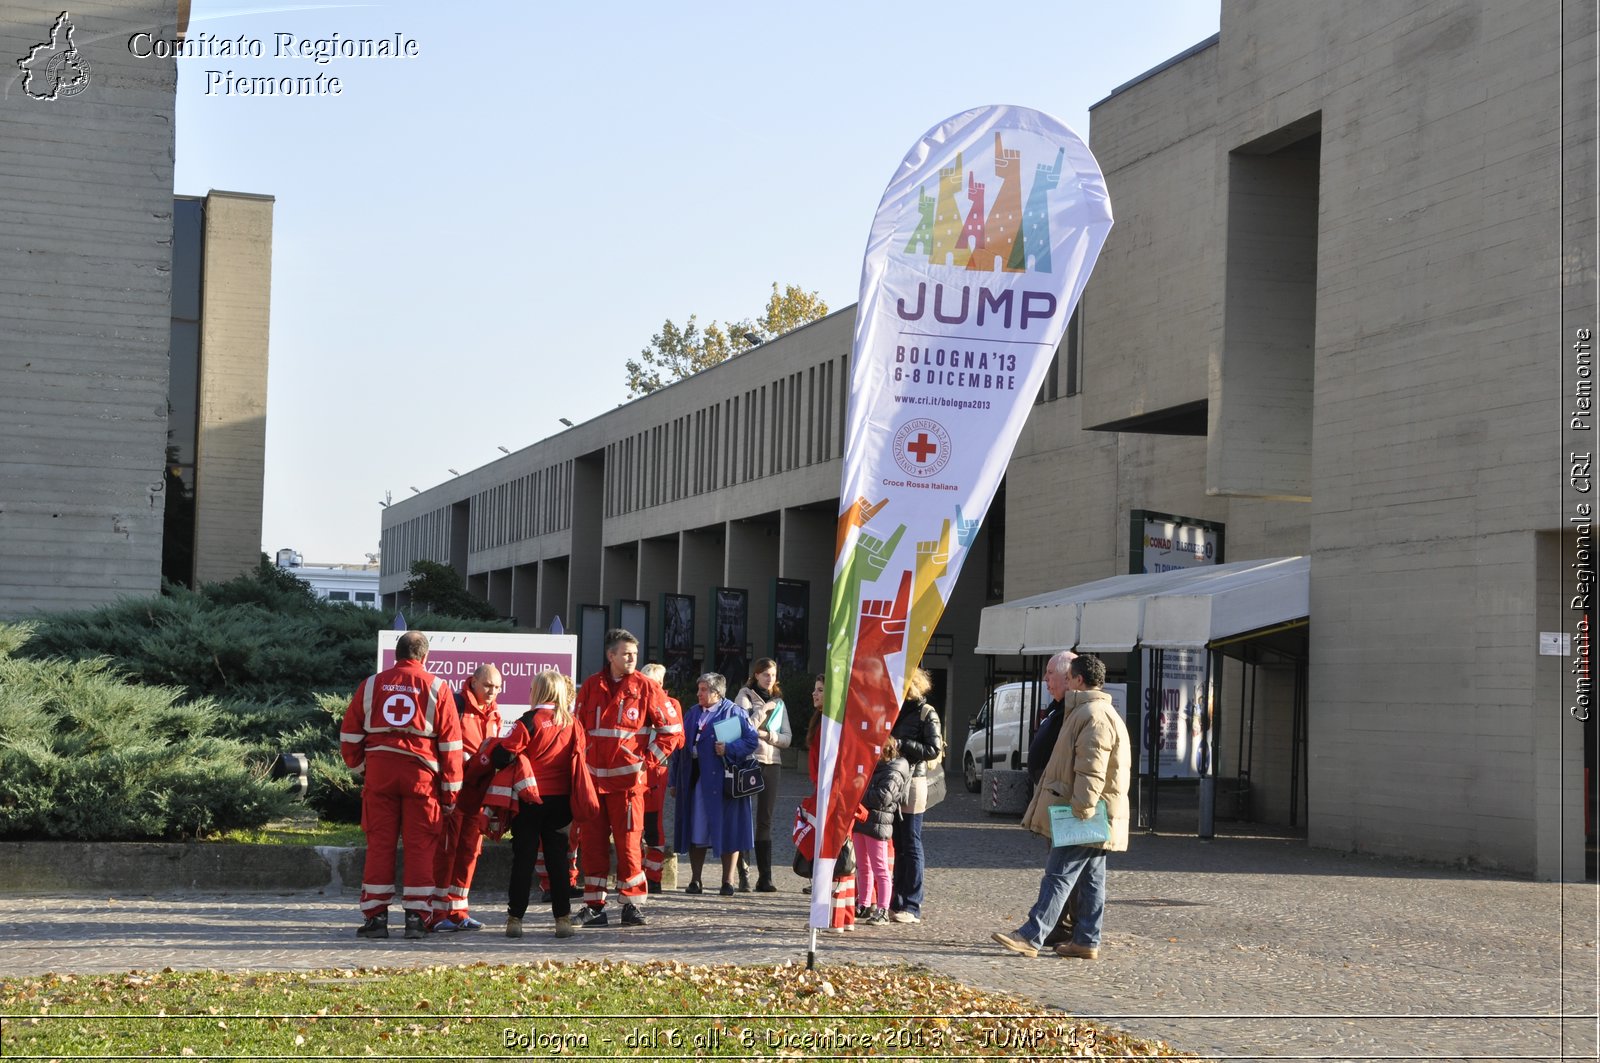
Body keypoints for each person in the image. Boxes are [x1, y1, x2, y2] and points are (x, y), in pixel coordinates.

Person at [992, 653, 1131, 961]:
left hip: (1086, 812)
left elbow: (1091, 769)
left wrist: (1080, 812)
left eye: (1070, 678)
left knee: (1059, 874)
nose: (1065, 683)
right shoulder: (1093, 711)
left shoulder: (1093, 714)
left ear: (1079, 680)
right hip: (1096, 812)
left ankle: (1031, 935)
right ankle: (1086, 940)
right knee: (1092, 879)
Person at [340, 630, 463, 940]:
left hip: (380, 775)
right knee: (421, 846)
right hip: (421, 779)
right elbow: (451, 747)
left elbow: (350, 734)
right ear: (424, 657)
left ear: (397, 654)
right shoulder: (438, 687)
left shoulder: (370, 685)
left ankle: (376, 919)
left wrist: (359, 766)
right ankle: (416, 920)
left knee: (379, 845)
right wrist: (450, 794)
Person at [571, 628, 682, 927]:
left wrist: (646, 763)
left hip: (629, 786)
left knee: (630, 845)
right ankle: (595, 906)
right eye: (626, 653)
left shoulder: (646, 687)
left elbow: (673, 732)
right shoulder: (591, 686)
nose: (632, 658)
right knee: (592, 846)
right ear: (611, 655)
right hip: (594, 784)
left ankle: (632, 906)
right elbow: (578, 731)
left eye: (634, 653)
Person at [495, 669, 583, 939]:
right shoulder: (572, 723)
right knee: (559, 862)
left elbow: (504, 755)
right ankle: (563, 920)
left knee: (524, 859)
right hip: (561, 803)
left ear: (540, 691)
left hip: (530, 799)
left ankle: (515, 920)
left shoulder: (529, 720)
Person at [671, 672, 759, 895]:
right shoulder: (692, 713)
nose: (698, 694)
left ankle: (727, 881)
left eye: (703, 690)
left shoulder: (734, 712)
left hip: (725, 784)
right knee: (696, 829)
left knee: (729, 830)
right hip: (696, 781)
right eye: (699, 689)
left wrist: (729, 749)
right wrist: (674, 781)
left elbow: (751, 740)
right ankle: (695, 879)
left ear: (716, 693)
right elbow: (677, 749)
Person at [431, 664, 502, 931]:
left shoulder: (495, 713)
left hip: (478, 796)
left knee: (470, 853)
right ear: (473, 682)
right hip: (454, 793)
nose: (492, 691)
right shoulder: (456, 705)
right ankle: (438, 913)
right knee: (446, 851)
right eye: (487, 685)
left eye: (497, 687)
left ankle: (459, 911)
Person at [888, 666, 943, 924]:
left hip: (914, 780)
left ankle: (912, 904)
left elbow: (933, 749)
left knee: (910, 841)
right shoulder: (895, 710)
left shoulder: (926, 713)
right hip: (893, 778)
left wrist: (902, 744)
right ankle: (896, 900)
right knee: (897, 841)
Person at [734, 657, 792, 892]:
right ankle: (743, 875)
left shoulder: (779, 703)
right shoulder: (744, 696)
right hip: (750, 761)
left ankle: (765, 877)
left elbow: (787, 738)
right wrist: (762, 711)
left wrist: (769, 736)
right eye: (766, 674)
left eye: (774, 675)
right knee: (744, 818)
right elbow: (742, 727)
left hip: (772, 762)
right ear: (756, 675)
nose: (771, 679)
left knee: (765, 820)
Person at [804, 675, 857, 931]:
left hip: (832, 796)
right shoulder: (823, 721)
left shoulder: (831, 724)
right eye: (814, 690)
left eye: (820, 690)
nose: (814, 694)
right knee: (840, 852)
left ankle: (834, 918)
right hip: (827, 793)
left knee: (833, 853)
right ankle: (844, 917)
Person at [853, 735, 909, 926]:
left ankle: (883, 908)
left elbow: (883, 797)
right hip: (863, 819)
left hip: (878, 823)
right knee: (862, 866)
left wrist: (858, 795)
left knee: (880, 868)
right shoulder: (874, 768)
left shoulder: (894, 770)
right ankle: (864, 903)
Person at [638, 663, 679, 894]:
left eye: (650, 682)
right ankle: (637, 874)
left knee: (653, 824)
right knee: (633, 826)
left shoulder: (671, 705)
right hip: (635, 769)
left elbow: (677, 739)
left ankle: (653, 876)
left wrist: (648, 758)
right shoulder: (636, 702)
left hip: (655, 770)